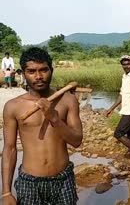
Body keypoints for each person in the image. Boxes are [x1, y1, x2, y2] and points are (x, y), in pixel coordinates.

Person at [1, 47, 83, 205]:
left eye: (44, 70)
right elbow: (9, 149)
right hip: (30, 182)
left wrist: (55, 118)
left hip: (63, 179)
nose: (38, 76)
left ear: (51, 70)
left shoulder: (67, 100)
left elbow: (77, 140)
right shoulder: (13, 106)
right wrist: (6, 192)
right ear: (23, 73)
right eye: (31, 71)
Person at [105, 55, 130, 167]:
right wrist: (111, 109)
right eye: (124, 64)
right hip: (126, 109)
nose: (126, 66)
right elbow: (121, 94)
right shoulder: (125, 76)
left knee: (118, 133)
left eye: (128, 64)